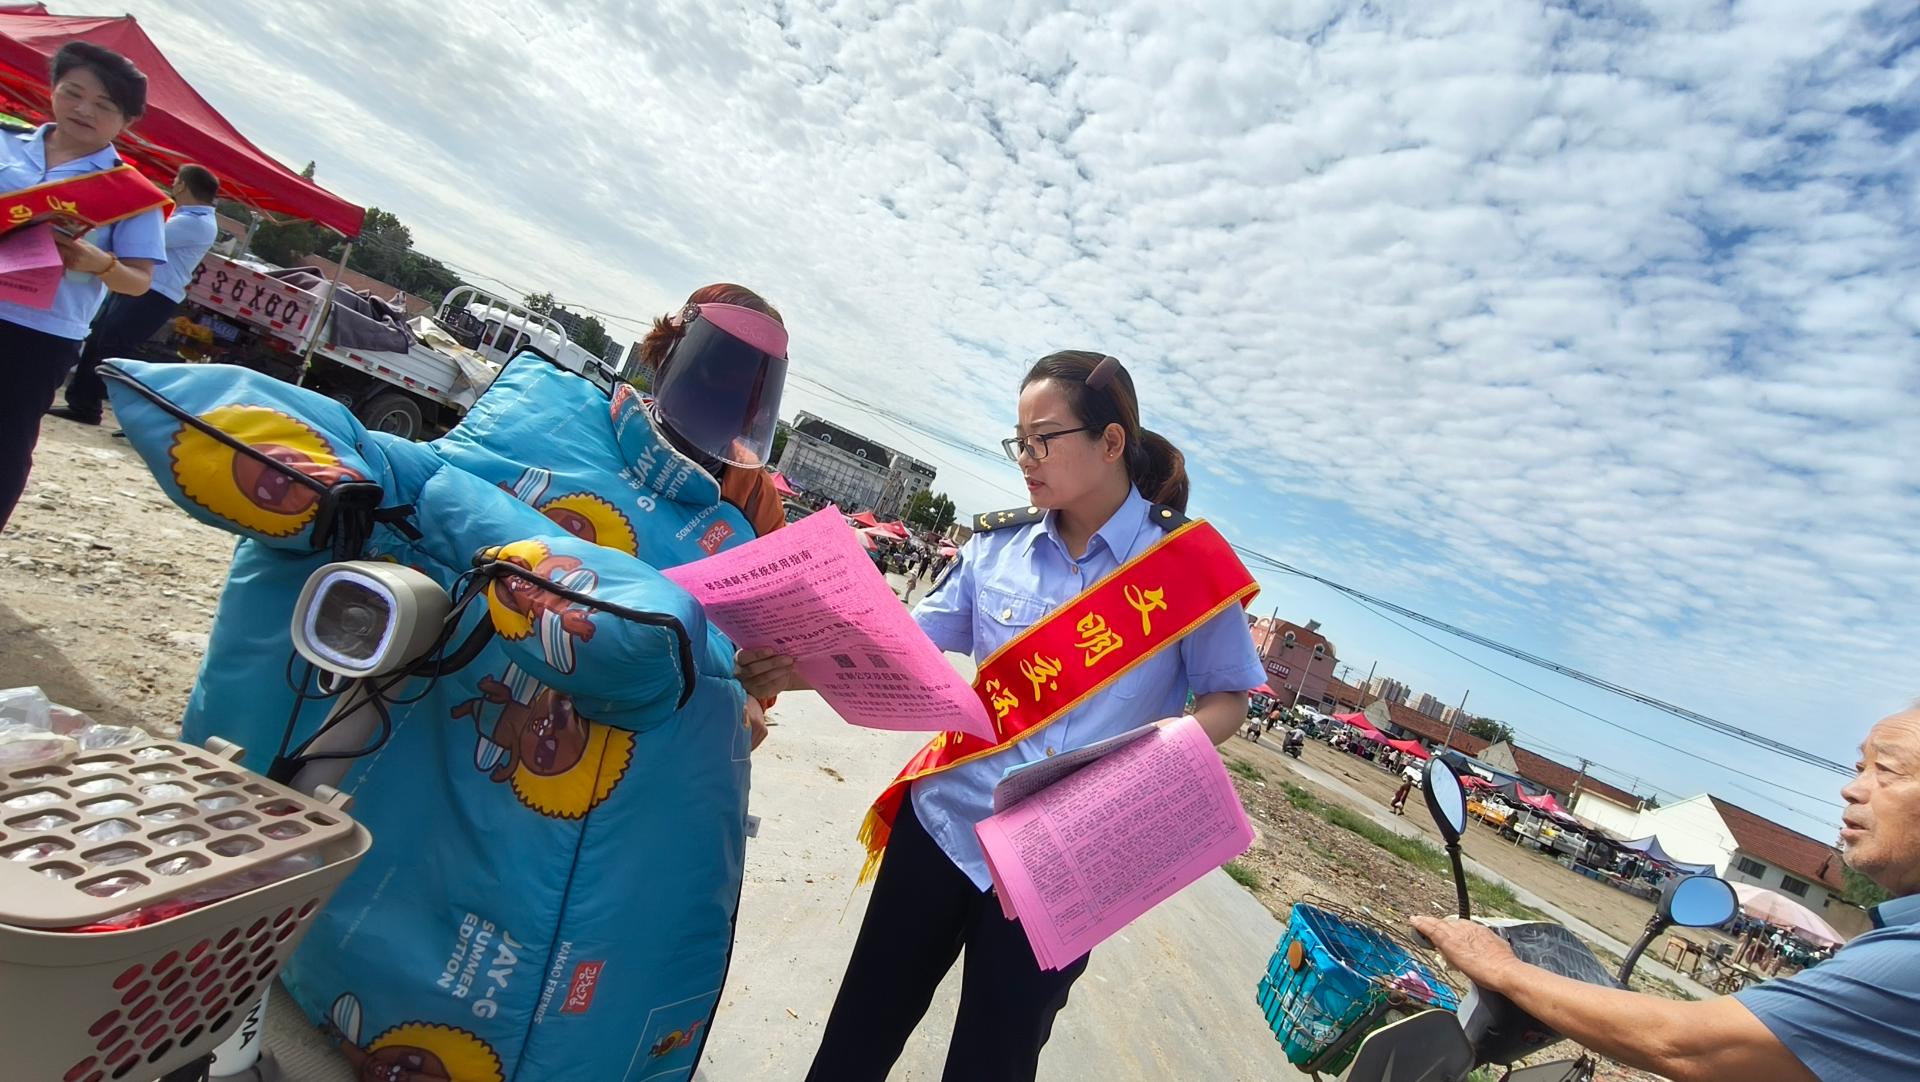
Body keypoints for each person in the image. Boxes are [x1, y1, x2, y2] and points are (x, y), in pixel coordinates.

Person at [737, 351, 1264, 1082]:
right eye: (1018, 440)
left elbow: (1228, 698)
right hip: (945, 824)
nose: (1025, 459)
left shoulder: (1184, 565)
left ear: (1111, 442)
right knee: (858, 1036)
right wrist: (792, 670)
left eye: (1043, 439)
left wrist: (1143, 776)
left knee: (995, 1062)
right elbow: (902, 644)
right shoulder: (996, 546)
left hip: (1064, 860)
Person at [1414, 705, 1920, 1082]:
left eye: (1887, 769)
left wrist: (1500, 968)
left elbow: (1689, 1045)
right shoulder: (1895, 941)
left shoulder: (1908, 958)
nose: (1852, 789)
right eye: (1860, 768)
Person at [0, 42, 168, 531]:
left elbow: (139, 282)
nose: (83, 110)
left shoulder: (131, 193)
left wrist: (100, 263)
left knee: (6, 443)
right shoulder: (6, 142)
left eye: (104, 105)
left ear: (127, 121)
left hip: (40, 333)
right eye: (73, 93)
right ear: (52, 90)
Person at [50, 163, 220, 427]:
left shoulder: (196, 223)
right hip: (142, 288)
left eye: (176, 180)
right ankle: (82, 402)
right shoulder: (188, 216)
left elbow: (148, 238)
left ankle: (95, 407)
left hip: (155, 293)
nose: (173, 184)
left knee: (112, 346)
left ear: (182, 186)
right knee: (100, 341)